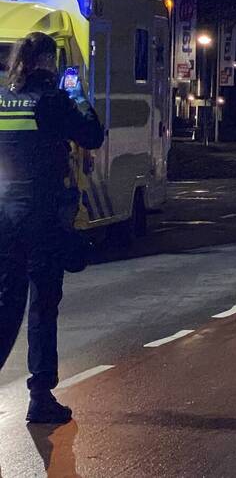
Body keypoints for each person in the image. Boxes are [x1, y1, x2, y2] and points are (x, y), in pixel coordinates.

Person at [1, 32, 104, 424]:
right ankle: (40, 396)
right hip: (43, 218)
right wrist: (76, 94)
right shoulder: (53, 101)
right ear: (46, 61)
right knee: (43, 304)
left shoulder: (4, 100)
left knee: (6, 304)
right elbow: (92, 135)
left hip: (6, 215)